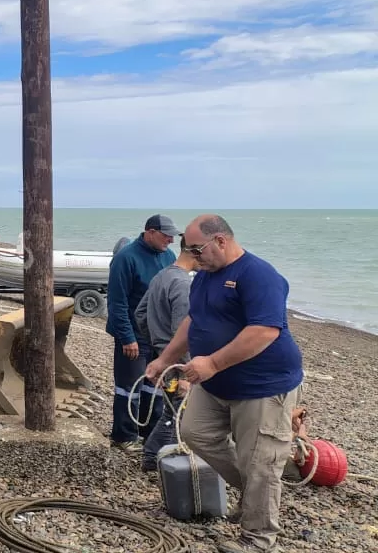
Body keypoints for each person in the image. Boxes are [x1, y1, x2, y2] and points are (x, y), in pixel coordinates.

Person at [146, 214, 303, 553]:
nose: (192, 255)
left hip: (262, 385)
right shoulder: (205, 275)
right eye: (188, 248)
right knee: (194, 431)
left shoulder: (258, 274)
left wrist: (213, 362)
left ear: (221, 241)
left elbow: (265, 331)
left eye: (196, 248)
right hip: (216, 384)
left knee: (260, 461)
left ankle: (258, 539)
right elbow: (193, 319)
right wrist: (164, 359)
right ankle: (254, 495)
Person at [105, 214, 178, 451]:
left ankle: (150, 433)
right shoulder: (125, 259)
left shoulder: (169, 257)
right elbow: (117, 302)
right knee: (129, 387)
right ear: (150, 232)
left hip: (158, 337)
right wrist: (127, 337)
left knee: (155, 386)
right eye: (166, 235)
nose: (170, 239)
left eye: (172, 235)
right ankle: (124, 436)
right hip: (133, 337)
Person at [132, 236, 198, 471]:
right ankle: (163, 464)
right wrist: (183, 370)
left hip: (163, 354)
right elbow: (183, 331)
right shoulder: (182, 284)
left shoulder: (161, 276)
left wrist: (156, 346)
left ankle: (152, 459)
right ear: (194, 252)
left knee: (170, 413)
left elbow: (140, 314)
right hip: (176, 361)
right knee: (176, 416)